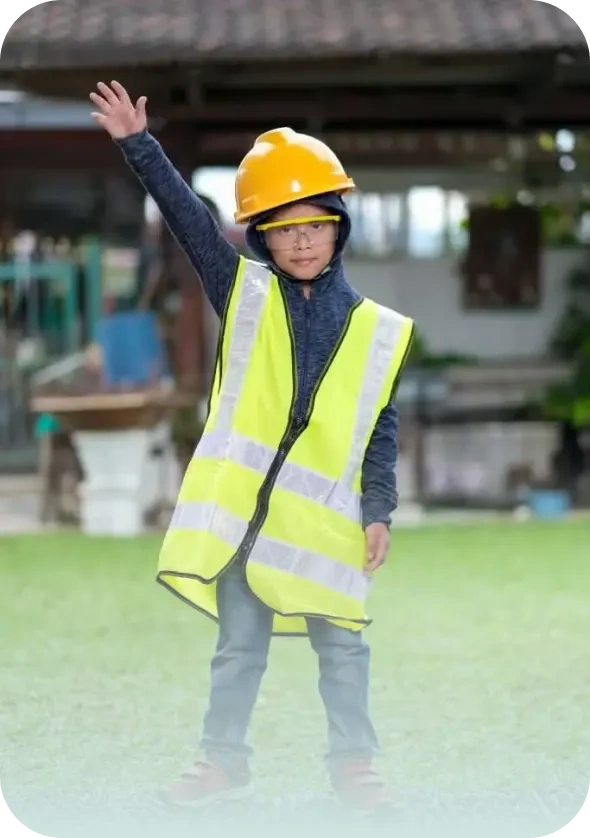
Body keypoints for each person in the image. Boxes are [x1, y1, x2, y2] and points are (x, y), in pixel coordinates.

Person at [90, 81, 414, 812]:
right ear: (260, 235)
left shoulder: (377, 329)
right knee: (238, 649)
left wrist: (379, 509)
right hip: (246, 522)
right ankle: (222, 762)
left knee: (344, 650)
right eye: (282, 227)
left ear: (339, 228)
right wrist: (138, 144)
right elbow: (189, 221)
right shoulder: (244, 292)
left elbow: (380, 427)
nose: (301, 241)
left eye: (316, 225)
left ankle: (355, 769)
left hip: (326, 524)